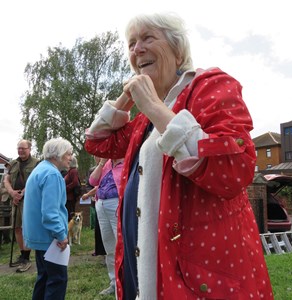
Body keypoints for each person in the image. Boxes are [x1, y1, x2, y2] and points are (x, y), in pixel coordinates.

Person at [84, 12, 274, 300]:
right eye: (132, 43)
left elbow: (236, 168)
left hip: (200, 279)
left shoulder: (208, 85)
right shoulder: (147, 118)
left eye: (147, 38)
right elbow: (97, 142)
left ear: (177, 49)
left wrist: (152, 105)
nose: (137, 49)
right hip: (145, 270)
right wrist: (126, 100)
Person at [22, 138, 72, 300]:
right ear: (57, 154)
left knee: (44, 277)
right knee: (57, 279)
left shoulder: (40, 169)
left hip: (38, 235)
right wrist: (61, 235)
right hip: (49, 238)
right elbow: (50, 212)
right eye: (68, 153)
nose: (70, 157)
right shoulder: (52, 174)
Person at [88, 157, 124, 295]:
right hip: (101, 204)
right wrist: (102, 163)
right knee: (109, 246)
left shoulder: (127, 161)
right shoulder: (107, 163)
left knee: (121, 245)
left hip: (116, 205)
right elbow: (92, 181)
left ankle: (126, 282)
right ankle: (114, 282)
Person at [4, 139, 39, 272]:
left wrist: (22, 193)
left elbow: (34, 181)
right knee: (17, 227)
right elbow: (6, 180)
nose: (20, 151)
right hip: (15, 200)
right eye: (19, 148)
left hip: (28, 200)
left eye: (23, 148)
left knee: (26, 227)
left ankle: (26, 257)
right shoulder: (13, 164)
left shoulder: (37, 163)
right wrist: (12, 193)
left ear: (30, 149)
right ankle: (22, 254)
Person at [81, 156, 106, 257]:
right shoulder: (92, 170)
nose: (98, 158)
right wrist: (89, 194)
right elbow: (88, 184)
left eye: (100, 156)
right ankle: (99, 250)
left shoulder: (109, 168)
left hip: (104, 199)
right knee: (98, 226)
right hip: (95, 201)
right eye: (96, 156)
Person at [64, 156, 80, 221]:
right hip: (68, 197)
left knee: (69, 215)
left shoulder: (73, 171)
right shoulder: (70, 171)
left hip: (70, 198)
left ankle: (70, 230)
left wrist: (66, 188)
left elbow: (75, 182)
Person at [0, 162, 12, 245]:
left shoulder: (18, 175)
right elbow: (1, 189)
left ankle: (14, 238)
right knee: (4, 220)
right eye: (7, 167)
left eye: (9, 166)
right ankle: (6, 238)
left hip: (14, 199)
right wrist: (9, 190)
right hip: (5, 200)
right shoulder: (4, 177)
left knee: (13, 219)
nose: (8, 168)